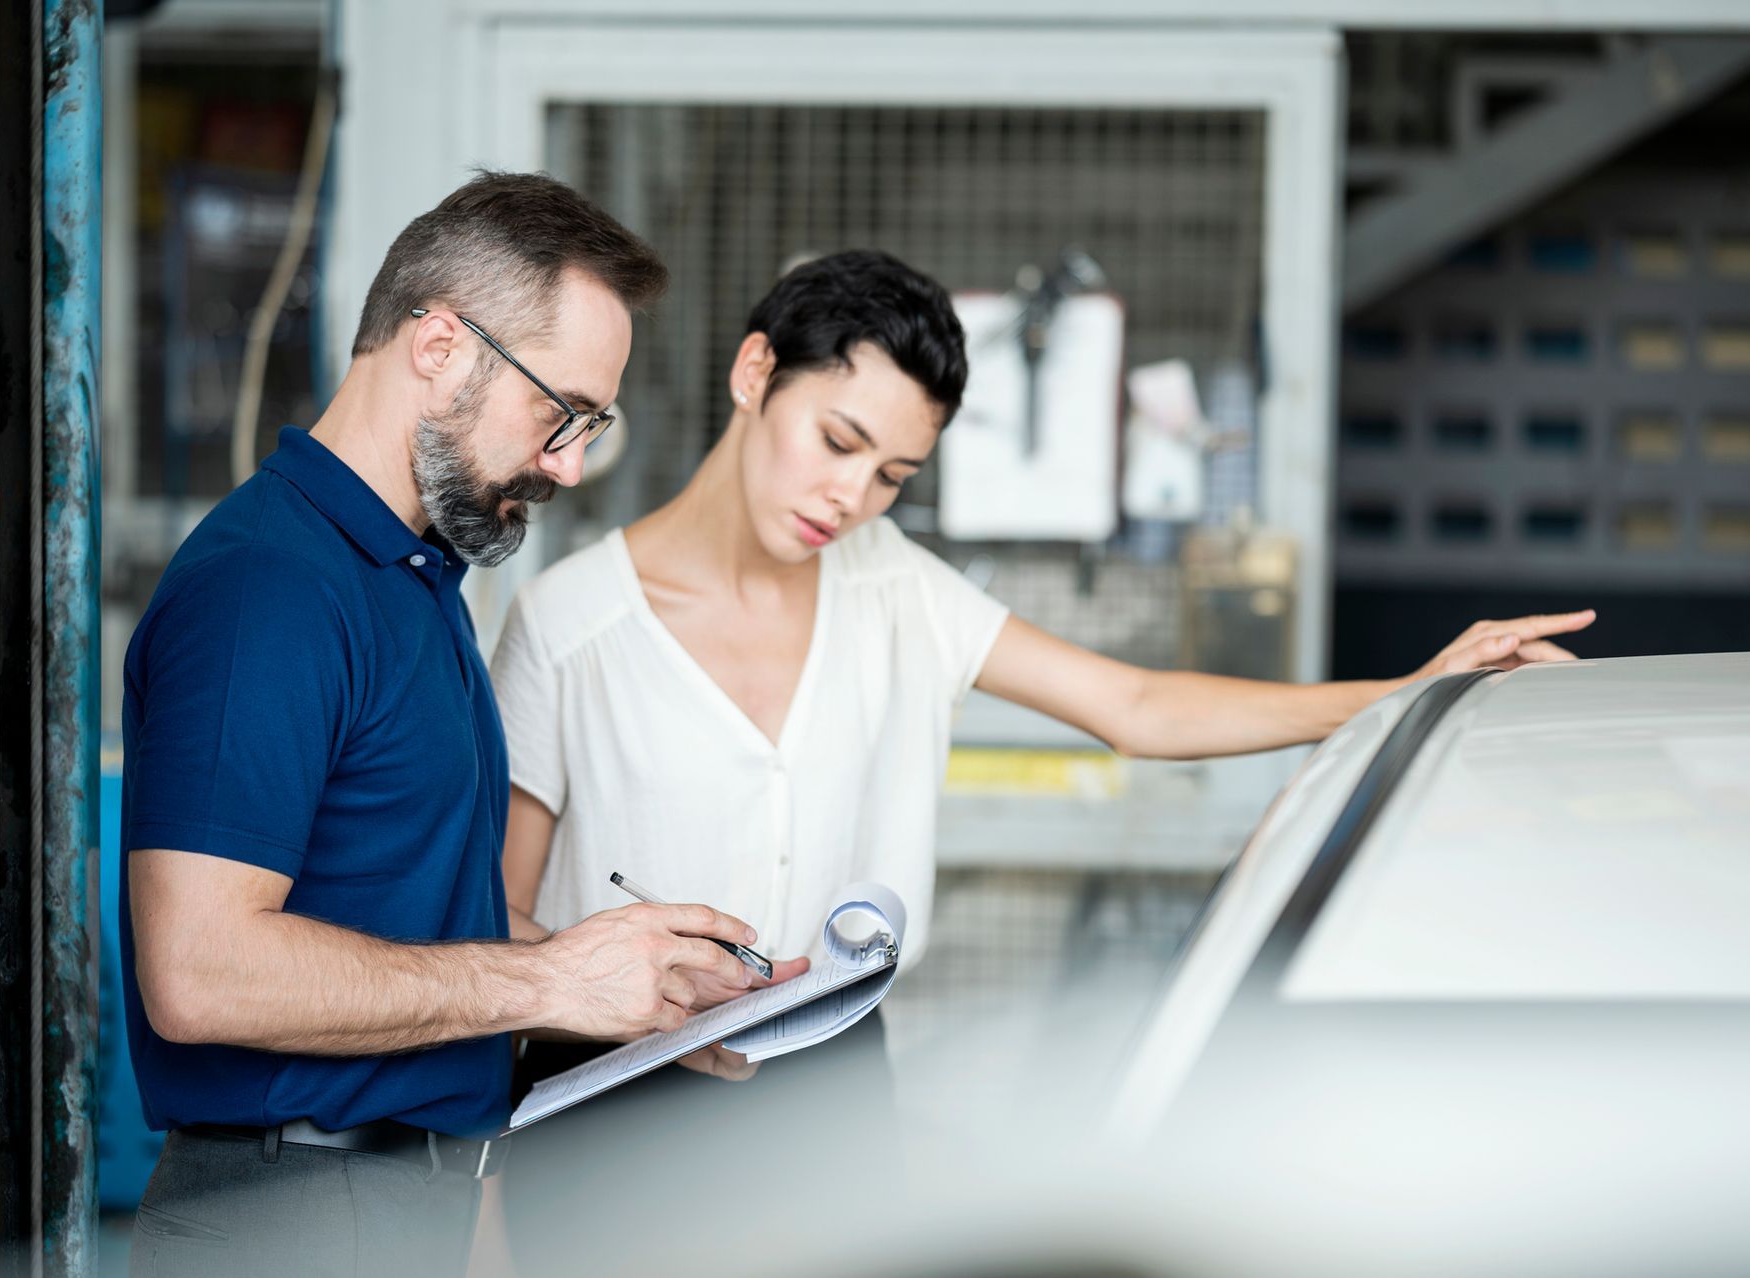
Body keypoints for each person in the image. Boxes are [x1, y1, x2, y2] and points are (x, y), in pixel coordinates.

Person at [479, 248, 1593, 1272]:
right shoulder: (571, 626)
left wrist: (1410, 692)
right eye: (838, 442)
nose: (851, 499)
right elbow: (497, 919)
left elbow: (1137, 704)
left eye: (894, 477)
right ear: (755, 371)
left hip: (822, 1094)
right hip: (608, 1105)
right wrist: (632, 991)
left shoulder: (893, 586)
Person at [118, 171, 764, 1278]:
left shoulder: (410, 583)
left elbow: (396, 924)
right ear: (440, 346)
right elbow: (202, 970)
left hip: (395, 1206)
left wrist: (628, 982)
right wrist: (548, 984)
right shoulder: (269, 588)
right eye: (560, 414)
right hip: (290, 1220)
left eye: (590, 428)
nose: (565, 463)